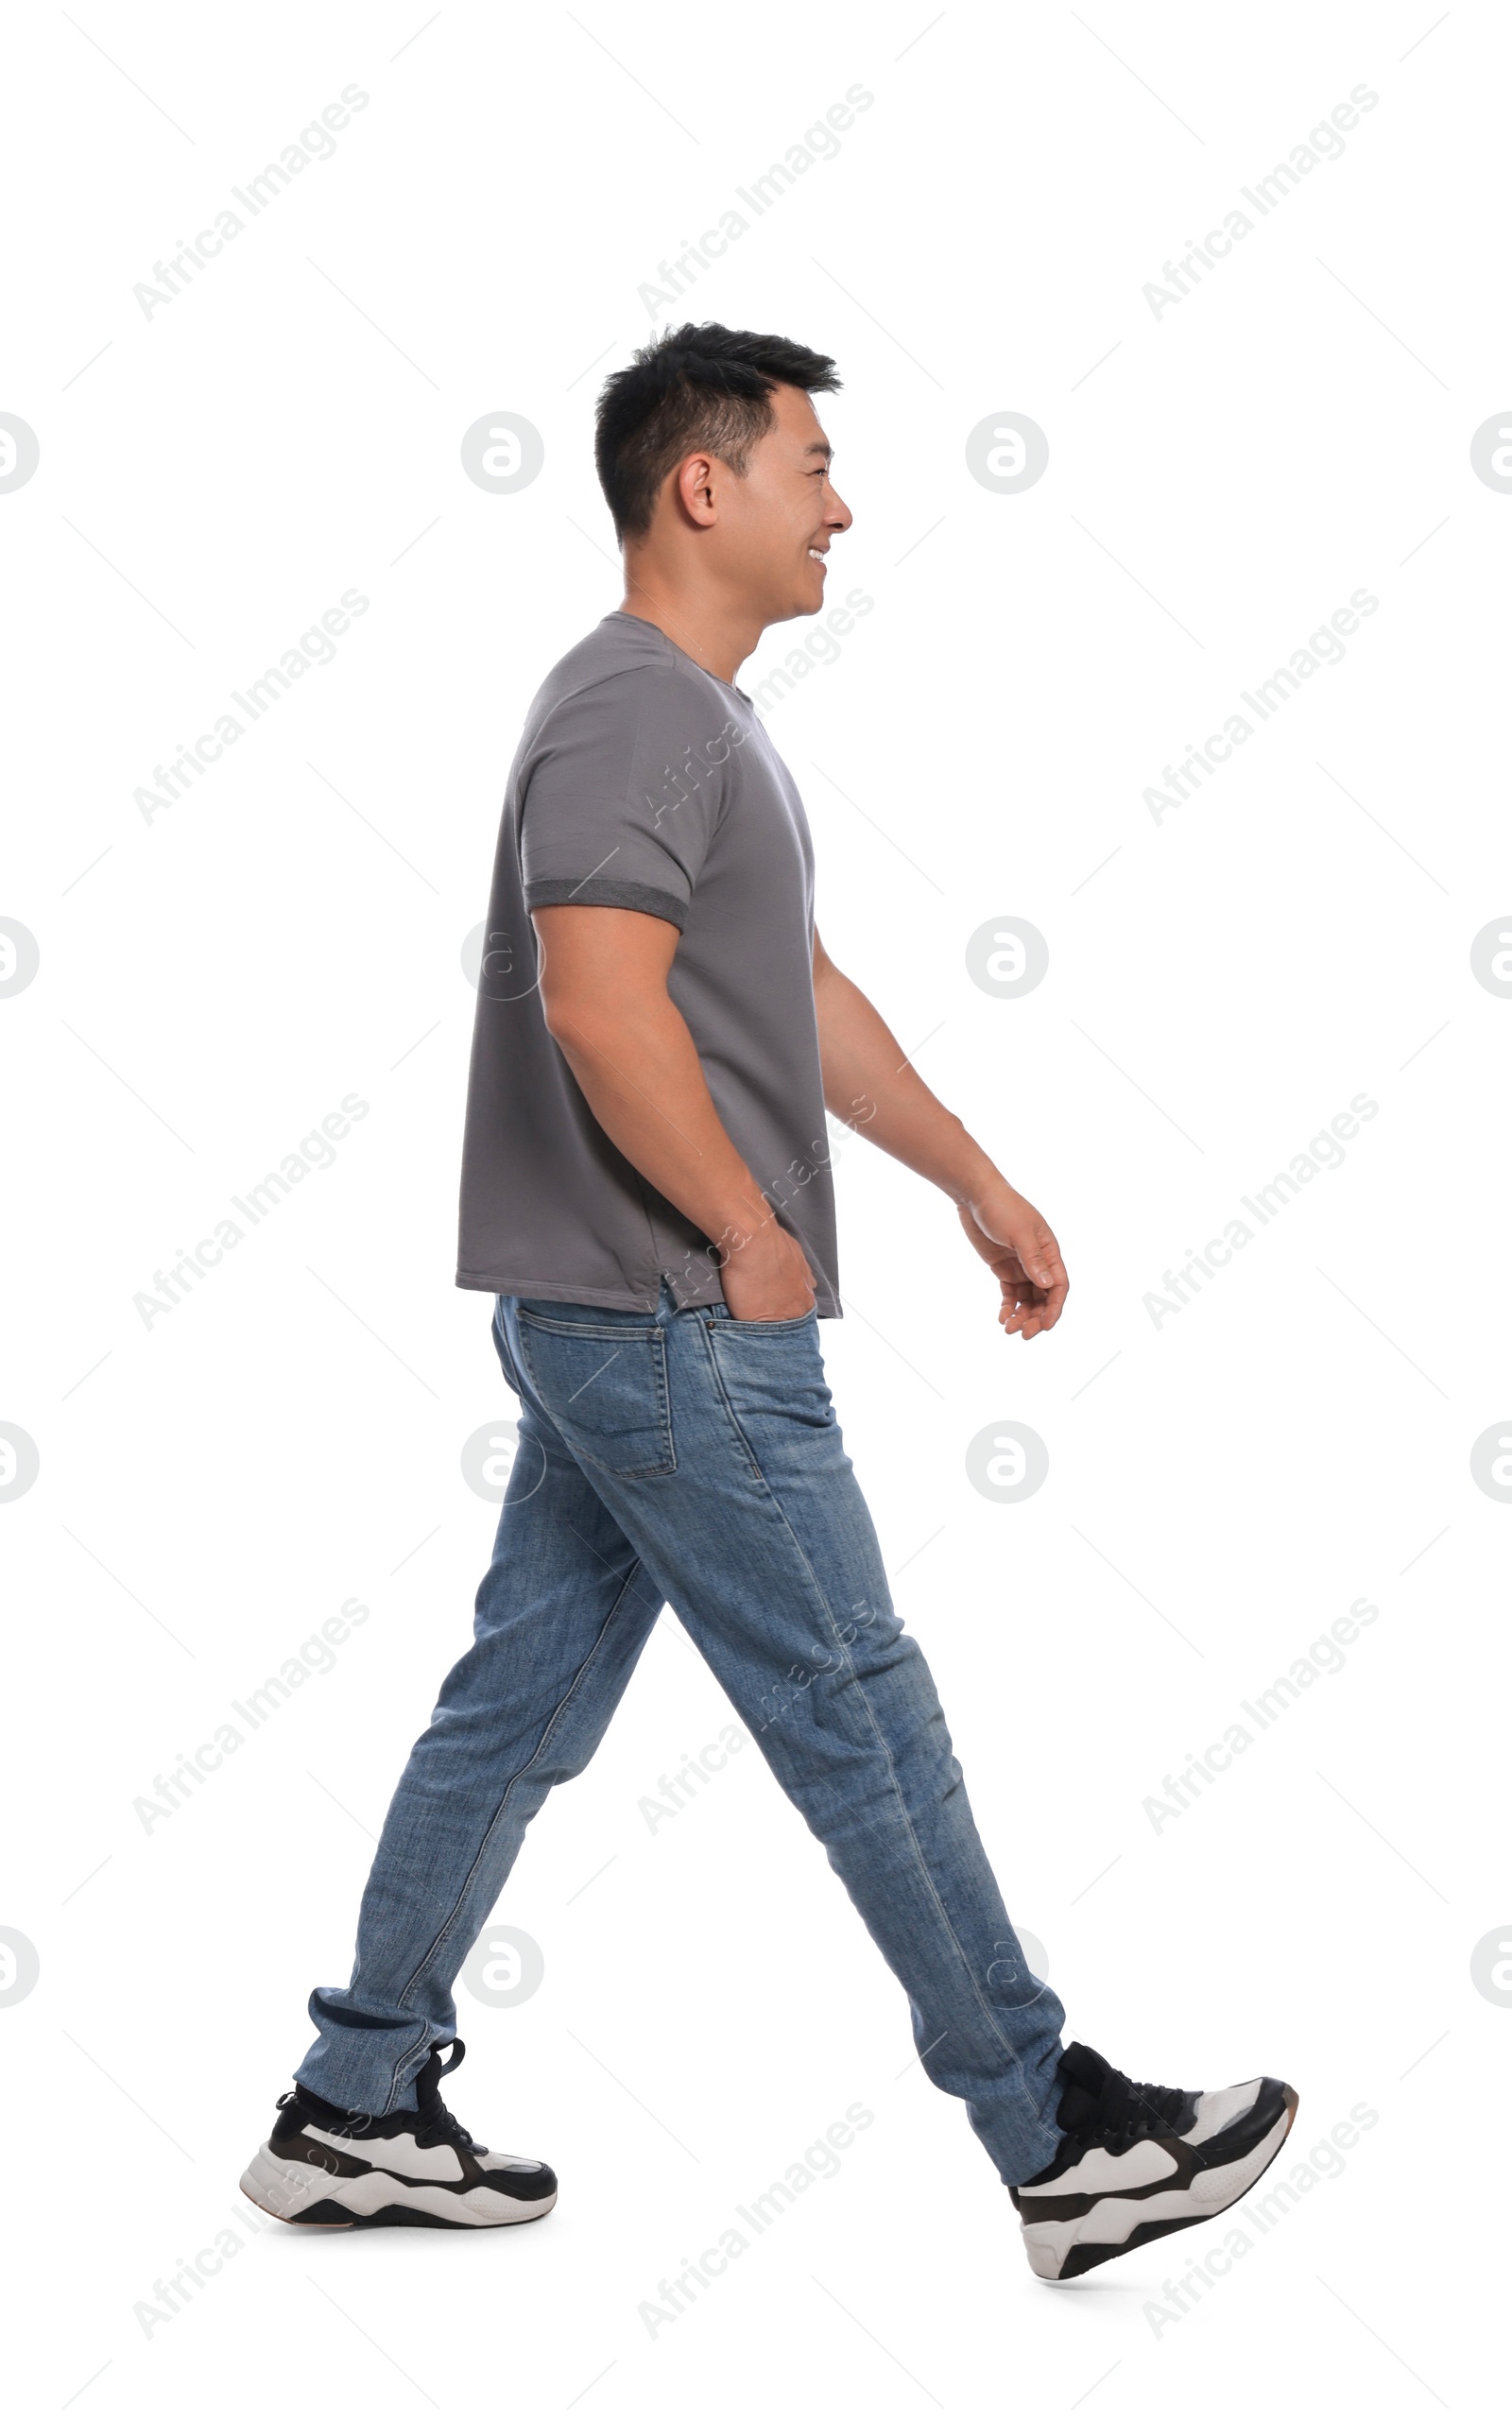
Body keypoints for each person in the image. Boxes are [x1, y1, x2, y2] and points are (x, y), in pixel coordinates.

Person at [241, 322, 1297, 2280]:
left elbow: (782, 992)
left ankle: (354, 2106)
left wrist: (969, 1176)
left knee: (514, 1708)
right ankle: (1052, 2135)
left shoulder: (694, 723)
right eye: (809, 464)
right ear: (699, 486)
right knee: (859, 1709)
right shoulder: (635, 711)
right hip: (667, 1325)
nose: (842, 504)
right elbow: (594, 995)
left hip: (608, 1321)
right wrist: (742, 1229)